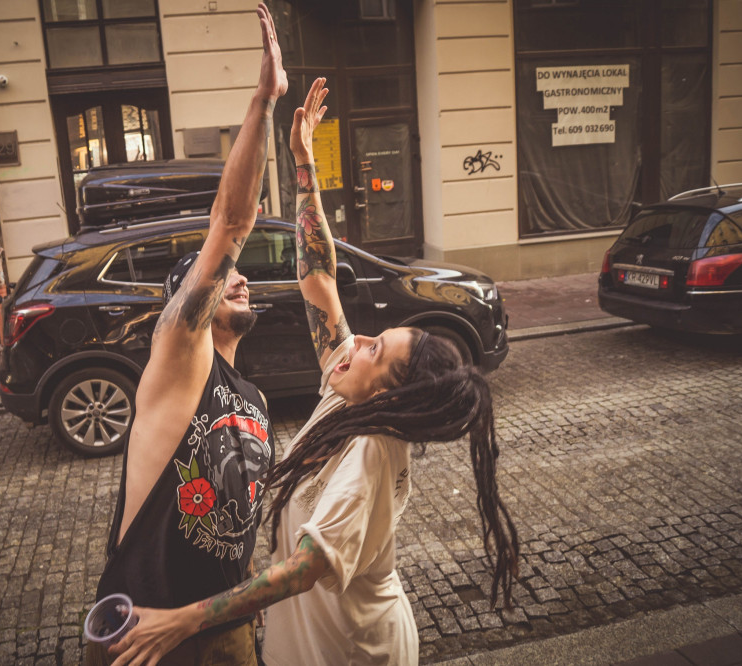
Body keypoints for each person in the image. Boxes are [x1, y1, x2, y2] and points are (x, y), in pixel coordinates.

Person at [104, 78, 520, 666]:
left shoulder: (373, 448)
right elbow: (319, 279)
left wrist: (185, 620)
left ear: (388, 396)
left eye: (375, 350)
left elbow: (304, 570)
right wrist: (303, 163)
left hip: (352, 649)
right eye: (372, 337)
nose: (358, 341)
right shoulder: (347, 392)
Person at [84, 5, 288, 665]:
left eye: (239, 276)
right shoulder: (178, 361)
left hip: (221, 631)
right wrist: (263, 103)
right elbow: (231, 223)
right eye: (221, 278)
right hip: (146, 634)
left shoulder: (254, 400)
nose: (240, 278)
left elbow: (238, 516)